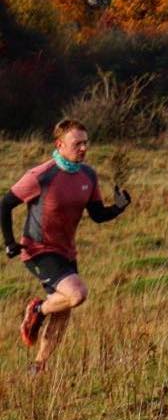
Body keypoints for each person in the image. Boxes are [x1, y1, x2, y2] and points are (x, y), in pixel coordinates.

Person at [1, 119, 130, 373]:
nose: (83, 148)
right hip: (38, 250)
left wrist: (118, 207)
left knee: (64, 309)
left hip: (66, 252)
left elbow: (96, 214)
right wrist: (9, 242)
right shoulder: (41, 175)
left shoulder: (88, 175)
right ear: (59, 144)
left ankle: (38, 366)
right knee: (77, 294)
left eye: (85, 143)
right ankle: (37, 309)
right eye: (77, 143)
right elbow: (4, 204)